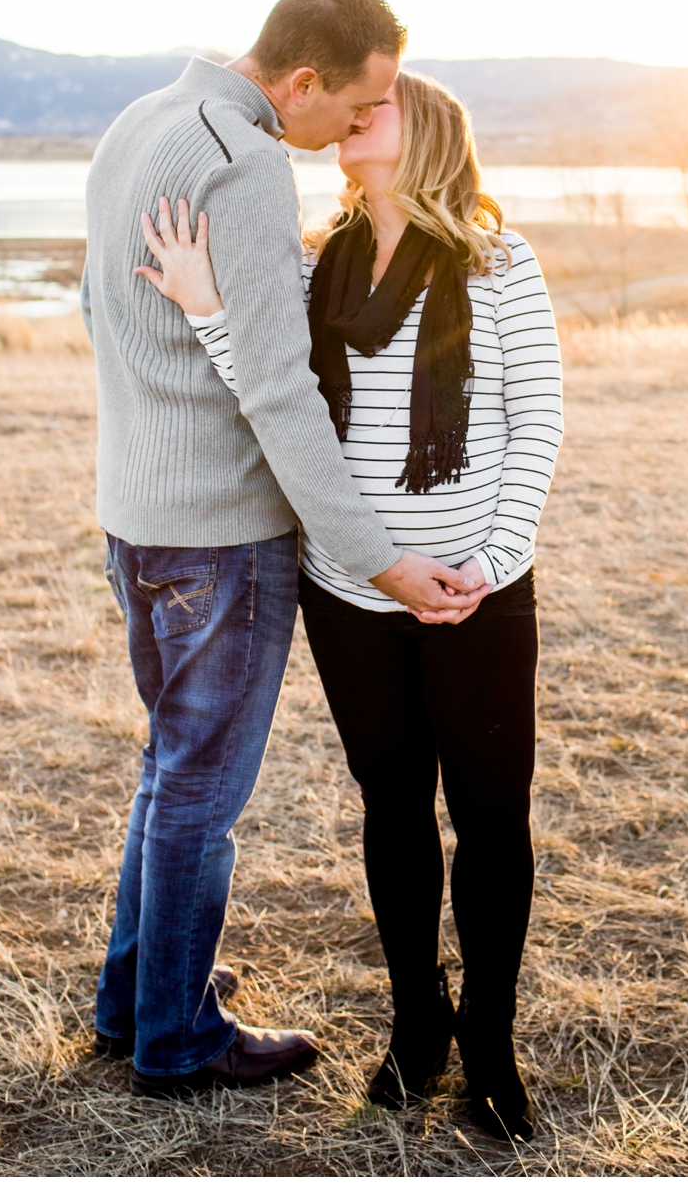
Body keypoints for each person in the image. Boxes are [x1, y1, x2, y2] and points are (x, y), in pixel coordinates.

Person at [136, 67, 562, 1142]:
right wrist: (207, 307)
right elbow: (279, 396)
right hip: (348, 589)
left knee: (492, 818)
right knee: (393, 808)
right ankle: (417, 1023)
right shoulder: (314, 262)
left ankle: (491, 1038)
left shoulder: (497, 259)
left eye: (390, 99)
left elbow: (534, 423)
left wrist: (494, 562)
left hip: (478, 594)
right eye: (358, 97)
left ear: (432, 135)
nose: (365, 107)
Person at [80, 0, 486, 1096]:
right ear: (299, 82)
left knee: (171, 770)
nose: (357, 127)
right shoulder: (248, 162)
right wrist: (380, 557)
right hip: (221, 535)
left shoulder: (142, 120)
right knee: (201, 788)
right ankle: (179, 1037)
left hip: (136, 514)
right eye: (354, 106)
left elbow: (96, 306)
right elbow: (279, 391)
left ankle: (132, 1004)